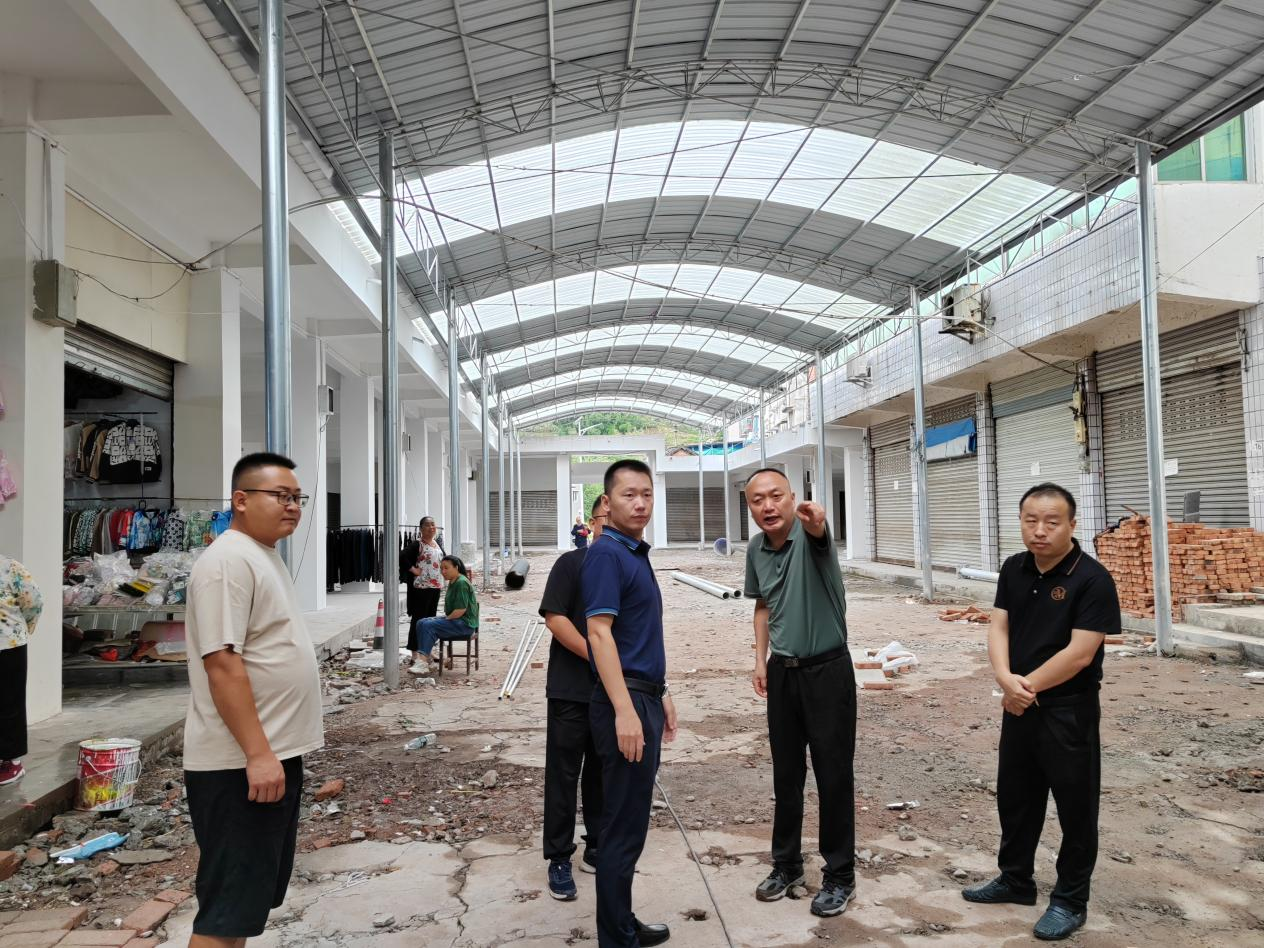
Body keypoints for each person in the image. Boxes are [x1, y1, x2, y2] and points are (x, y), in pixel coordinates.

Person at [962, 482, 1120, 942]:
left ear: (1072, 525)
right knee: (1016, 797)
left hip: (1068, 710)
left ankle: (1070, 900)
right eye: (1031, 521)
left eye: (1052, 522)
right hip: (1019, 704)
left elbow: (1081, 653)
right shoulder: (1014, 567)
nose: (1040, 531)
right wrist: (1004, 679)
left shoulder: (1092, 579)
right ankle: (1016, 880)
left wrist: (1023, 687)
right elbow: (999, 626)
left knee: (1075, 806)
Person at [184, 452, 324, 947]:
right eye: (280, 496)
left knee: (244, 909)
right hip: (239, 764)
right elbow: (222, 665)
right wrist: (259, 754)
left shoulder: (261, 555)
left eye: (297, 498)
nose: (293, 507)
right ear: (241, 500)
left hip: (268, 756)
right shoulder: (228, 562)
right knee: (225, 913)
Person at [742, 468, 857, 918]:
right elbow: (762, 605)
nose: (767, 506)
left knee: (833, 776)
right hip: (783, 674)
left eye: (776, 496)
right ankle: (786, 865)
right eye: (757, 500)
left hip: (827, 671)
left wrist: (817, 522)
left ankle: (840, 875)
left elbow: (819, 532)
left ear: (793, 498)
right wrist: (760, 659)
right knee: (786, 776)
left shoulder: (811, 538)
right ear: (749, 507)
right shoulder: (756, 548)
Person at [583, 459, 676, 947]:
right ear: (607, 501)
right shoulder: (606, 555)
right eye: (628, 495)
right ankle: (616, 939)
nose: (639, 503)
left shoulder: (634, 553)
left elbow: (637, 635)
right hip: (625, 701)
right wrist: (625, 709)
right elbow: (599, 635)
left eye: (646, 494)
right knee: (621, 828)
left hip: (644, 694)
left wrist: (663, 693)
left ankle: (620, 921)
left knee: (631, 822)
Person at [539, 496, 609, 900]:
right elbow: (555, 618)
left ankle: (597, 844)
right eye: (604, 518)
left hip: (613, 693)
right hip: (570, 689)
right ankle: (559, 857)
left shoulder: (627, 567)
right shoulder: (571, 564)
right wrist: (597, 657)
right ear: (592, 523)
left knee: (603, 773)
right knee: (564, 775)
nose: (610, 525)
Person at [0, 556, 42, 787]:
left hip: (8, 644)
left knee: (9, 702)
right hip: (11, 640)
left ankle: (11, 761)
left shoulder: (10, 567)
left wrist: (24, 628)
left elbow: (33, 601)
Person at [412, 555, 479, 671]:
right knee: (421, 622)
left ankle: (422, 663)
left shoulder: (461, 582)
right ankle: (427, 659)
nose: (443, 571)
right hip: (457, 620)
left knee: (428, 625)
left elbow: (460, 610)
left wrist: (444, 619)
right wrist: (443, 619)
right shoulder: (453, 582)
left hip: (465, 625)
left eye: (446, 568)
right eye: (441, 568)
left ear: (456, 567)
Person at [401, 516, 444, 674]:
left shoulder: (437, 544)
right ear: (421, 528)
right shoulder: (417, 545)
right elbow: (402, 557)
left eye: (433, 524)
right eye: (427, 525)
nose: (431, 527)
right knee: (418, 621)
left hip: (435, 587)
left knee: (430, 620)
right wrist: (414, 570)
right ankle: (414, 653)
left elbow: (444, 560)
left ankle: (427, 651)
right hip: (421, 588)